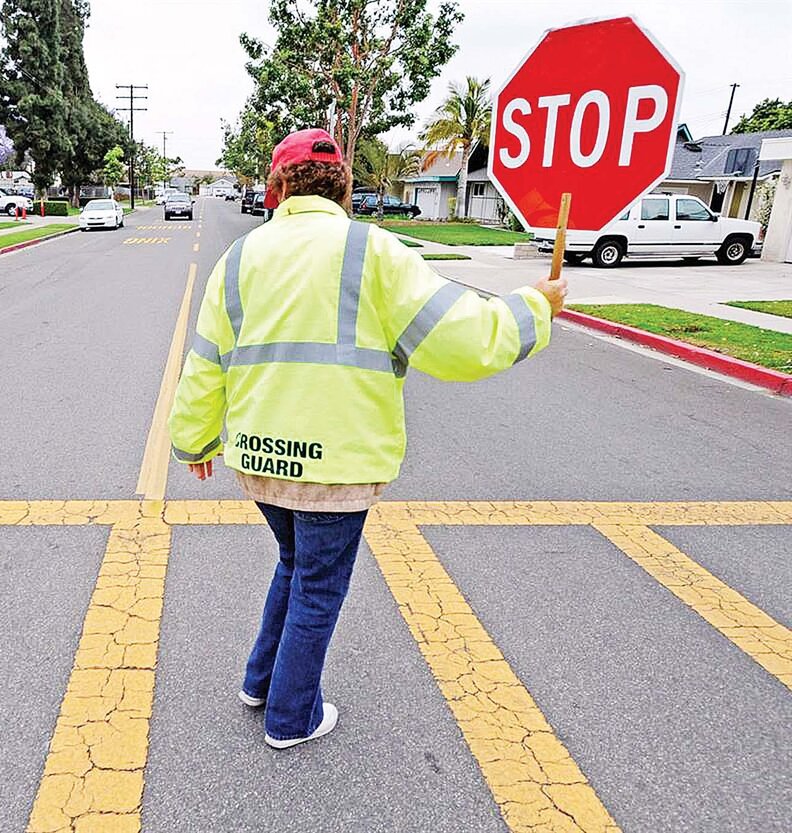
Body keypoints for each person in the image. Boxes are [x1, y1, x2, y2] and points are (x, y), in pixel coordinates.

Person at [168, 128, 567, 749]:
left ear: (275, 189)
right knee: (319, 584)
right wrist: (535, 309)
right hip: (338, 463)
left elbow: (205, 361)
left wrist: (194, 442)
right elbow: (460, 338)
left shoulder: (240, 257)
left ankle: (259, 681)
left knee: (295, 563)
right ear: (345, 188)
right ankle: (290, 717)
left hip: (258, 458)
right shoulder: (371, 250)